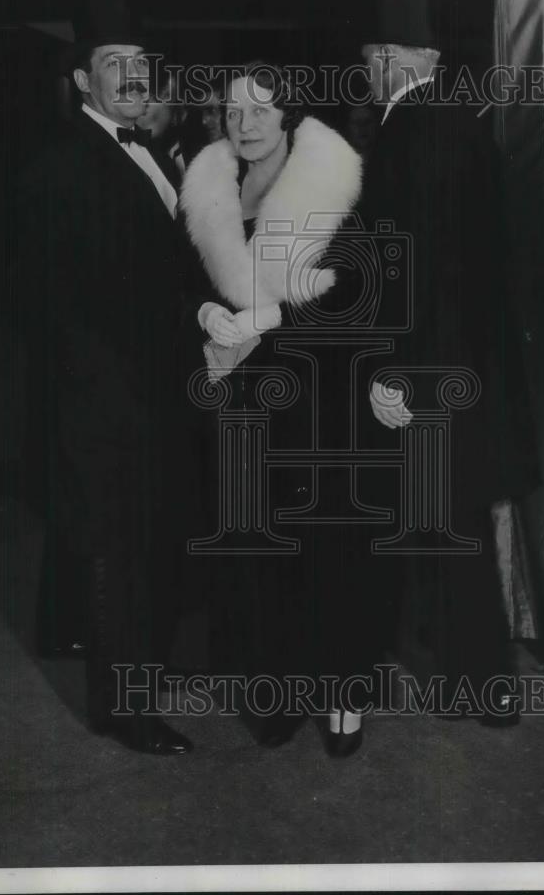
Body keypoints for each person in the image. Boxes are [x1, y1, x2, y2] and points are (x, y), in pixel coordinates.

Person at [16, 0, 198, 755]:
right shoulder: (64, 165)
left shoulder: (148, 151)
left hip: (151, 393)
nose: (131, 76)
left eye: (139, 63)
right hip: (109, 400)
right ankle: (123, 709)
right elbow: (61, 303)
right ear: (83, 83)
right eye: (112, 65)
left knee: (146, 546)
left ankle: (142, 680)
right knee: (117, 554)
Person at [359, 0, 538, 723]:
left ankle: (487, 687)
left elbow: (418, 274)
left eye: (367, 57)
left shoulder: (411, 134)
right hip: (471, 364)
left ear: (396, 59)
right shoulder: (457, 123)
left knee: (452, 527)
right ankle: (471, 674)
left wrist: (396, 376)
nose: (363, 71)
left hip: (435, 372)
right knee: (446, 523)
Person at [180, 61, 367, 755]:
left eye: (260, 111)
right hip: (239, 398)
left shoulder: (336, 186)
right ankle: (276, 687)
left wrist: (271, 325)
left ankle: (344, 693)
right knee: (256, 550)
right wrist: (205, 310)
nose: (245, 125)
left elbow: (357, 302)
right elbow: (178, 278)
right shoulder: (207, 185)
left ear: (288, 115)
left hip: (319, 401)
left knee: (327, 551)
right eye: (233, 112)